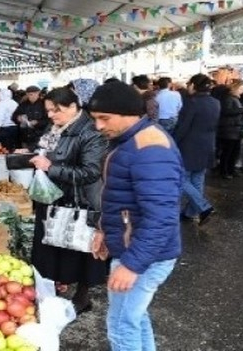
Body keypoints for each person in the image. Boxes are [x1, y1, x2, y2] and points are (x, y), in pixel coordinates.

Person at [87, 81, 182, 351]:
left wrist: (131, 265)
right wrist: (105, 229)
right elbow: (123, 199)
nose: (99, 126)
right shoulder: (130, 140)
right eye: (95, 119)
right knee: (134, 318)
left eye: (104, 118)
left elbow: (161, 217)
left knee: (121, 325)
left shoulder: (149, 148)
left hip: (145, 254)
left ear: (129, 112)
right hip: (137, 249)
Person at [28, 87, 108, 314]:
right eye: (49, 110)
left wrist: (51, 167)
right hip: (53, 197)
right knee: (52, 246)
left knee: (80, 248)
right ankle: (54, 288)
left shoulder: (90, 132)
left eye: (56, 110)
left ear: (74, 106)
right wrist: (35, 154)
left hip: (79, 201)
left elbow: (90, 172)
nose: (51, 115)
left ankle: (82, 298)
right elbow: (49, 150)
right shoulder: (55, 128)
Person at [174, 74, 220, 225]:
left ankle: (204, 207)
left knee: (181, 178)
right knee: (197, 179)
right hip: (207, 145)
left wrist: (172, 143)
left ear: (193, 85)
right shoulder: (215, 102)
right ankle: (190, 212)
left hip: (189, 146)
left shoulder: (191, 103)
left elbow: (183, 127)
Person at [217, 79, 243, 179]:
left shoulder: (234, 98)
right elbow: (227, 111)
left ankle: (229, 170)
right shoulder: (228, 98)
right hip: (229, 129)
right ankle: (225, 171)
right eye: (241, 89)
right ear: (236, 88)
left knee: (233, 152)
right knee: (228, 152)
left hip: (234, 129)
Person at [11, 85, 49, 150]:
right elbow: (13, 116)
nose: (30, 97)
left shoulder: (44, 104)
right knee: (26, 156)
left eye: (32, 94)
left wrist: (37, 122)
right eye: (28, 95)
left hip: (39, 137)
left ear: (38, 93)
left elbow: (49, 120)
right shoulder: (23, 104)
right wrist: (18, 118)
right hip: (25, 137)